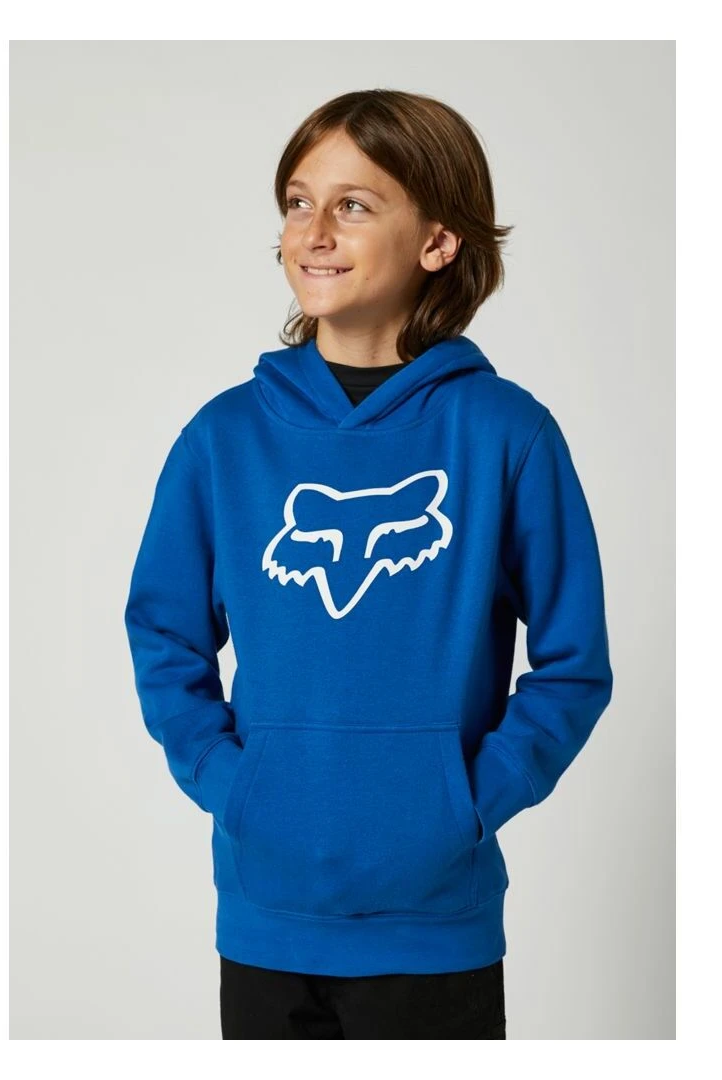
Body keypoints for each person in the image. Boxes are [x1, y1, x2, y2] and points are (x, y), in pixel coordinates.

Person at [123, 88, 614, 1039]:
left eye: (353, 204)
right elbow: (163, 635)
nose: (313, 231)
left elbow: (574, 664)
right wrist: (237, 789)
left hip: (436, 928)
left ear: (438, 241)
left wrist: (466, 805)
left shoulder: (505, 435)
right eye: (298, 202)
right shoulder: (224, 439)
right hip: (267, 917)